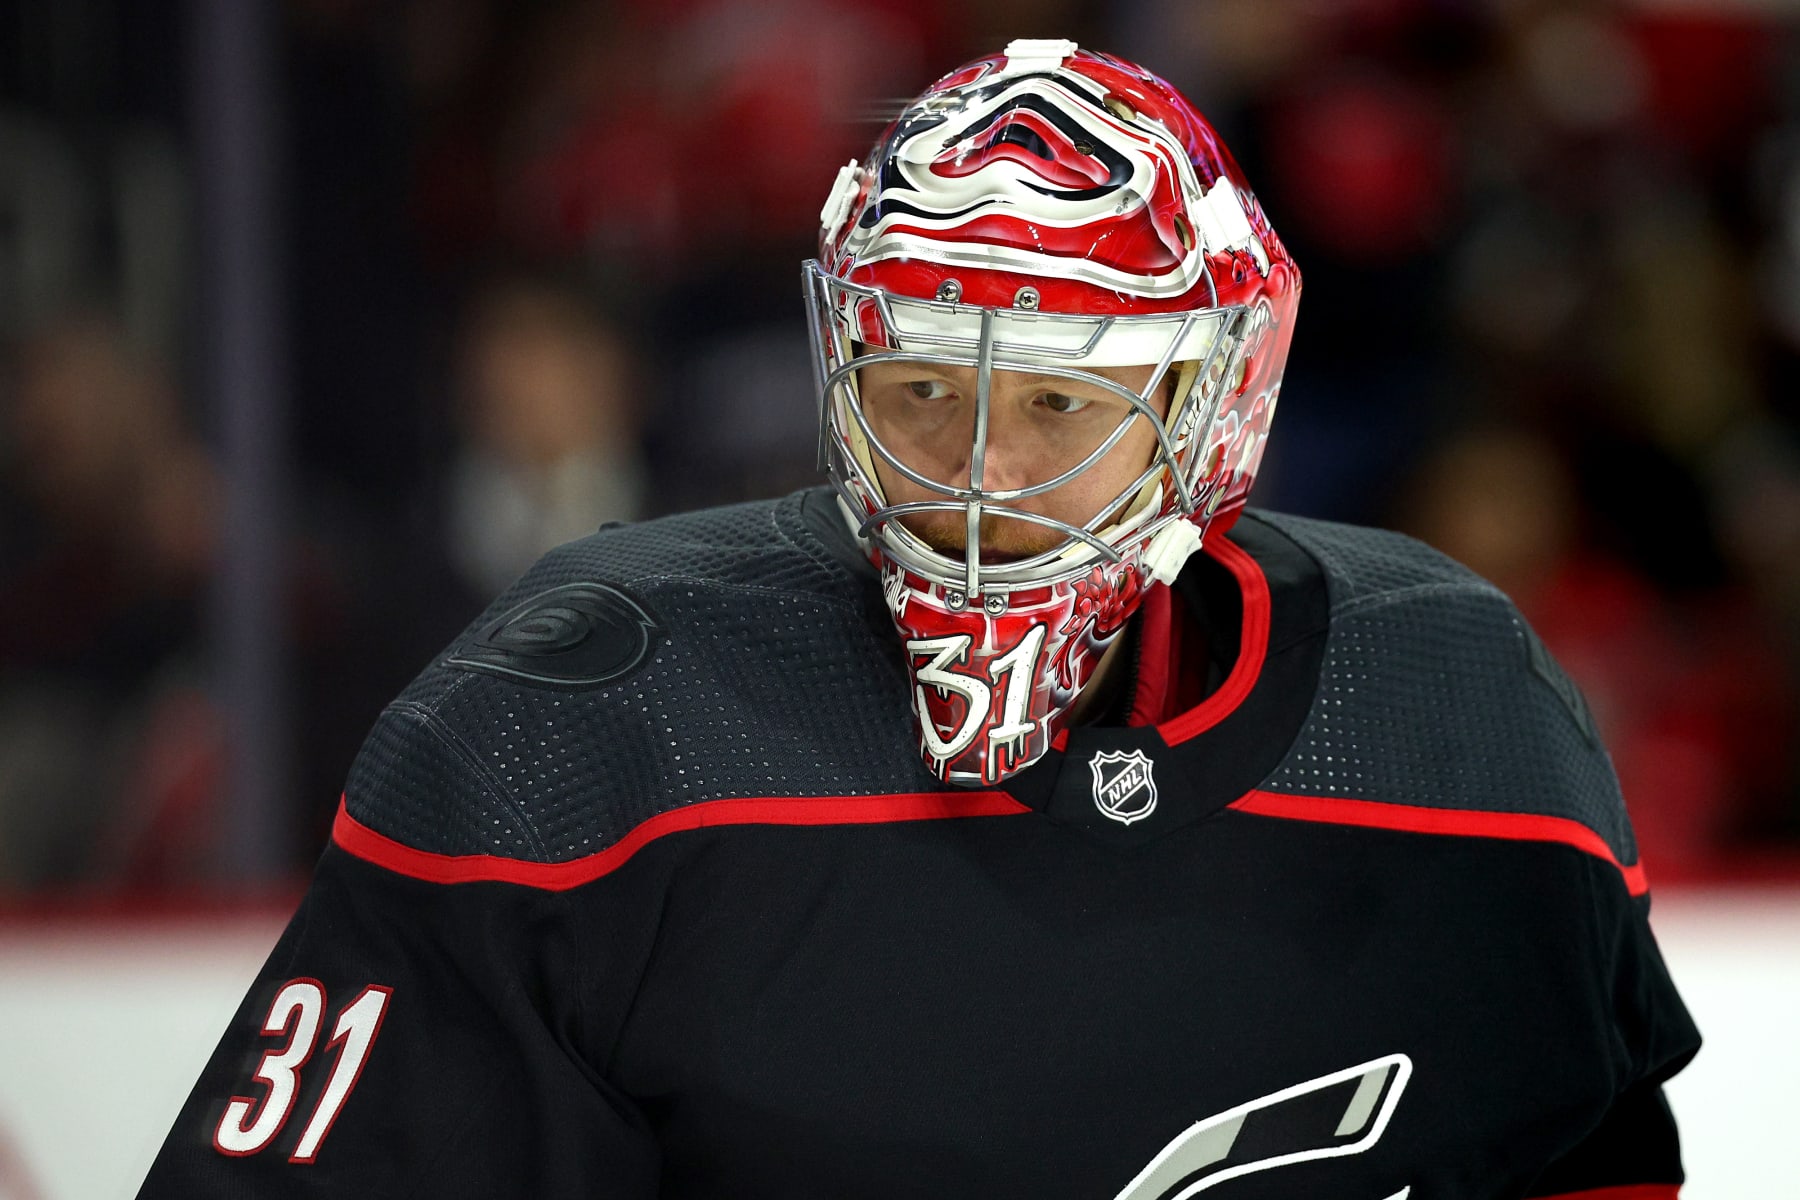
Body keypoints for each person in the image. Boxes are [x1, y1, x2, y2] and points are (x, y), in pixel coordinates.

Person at [139, 41, 1699, 1199]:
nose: (974, 477)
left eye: (1055, 402)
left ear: (1206, 408)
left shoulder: (1459, 710)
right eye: (926, 388)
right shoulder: (583, 720)